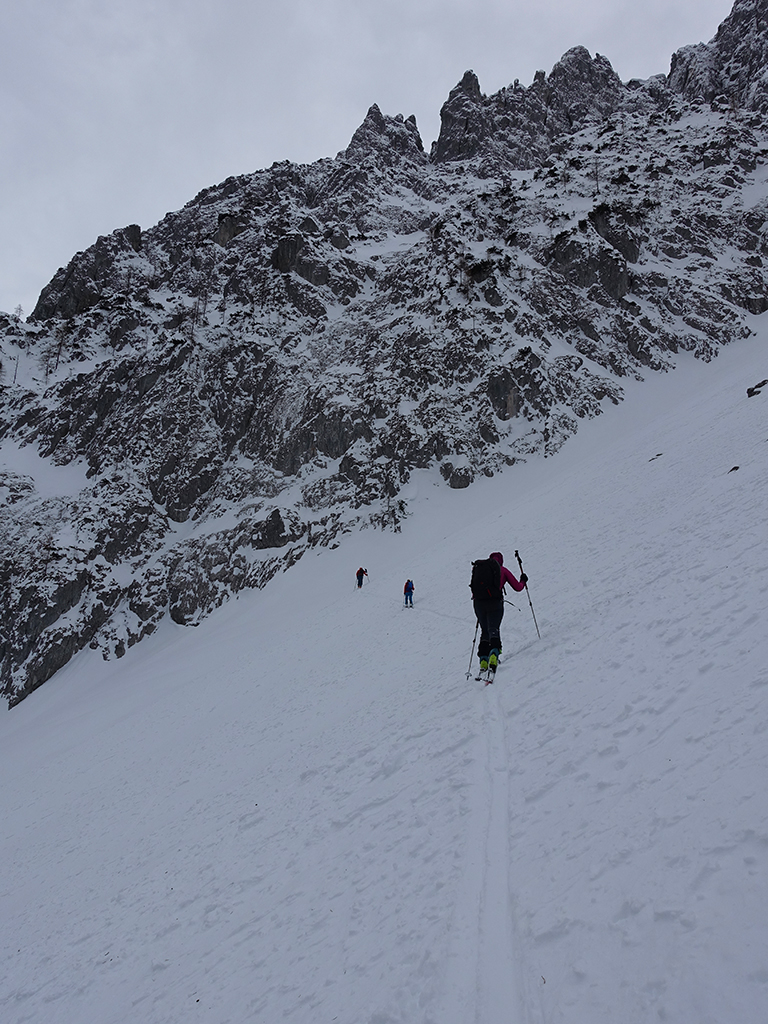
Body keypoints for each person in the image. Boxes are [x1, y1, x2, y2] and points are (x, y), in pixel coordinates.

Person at [471, 552, 527, 672]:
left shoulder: (480, 570)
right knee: (494, 629)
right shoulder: (503, 570)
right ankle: (494, 654)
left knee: (485, 631)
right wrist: (523, 580)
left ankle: (483, 660)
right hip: (495, 603)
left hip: (479, 604)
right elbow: (518, 587)